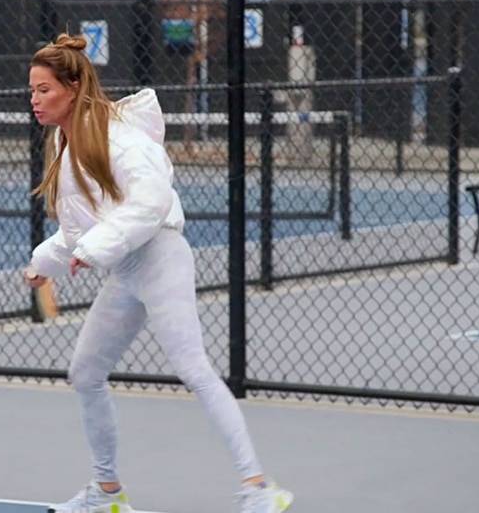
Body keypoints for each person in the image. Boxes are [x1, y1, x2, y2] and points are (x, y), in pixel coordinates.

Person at [23, 33, 293, 513]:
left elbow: (152, 201)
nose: (35, 99)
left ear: (72, 86)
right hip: (124, 268)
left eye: (44, 89)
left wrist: (96, 246)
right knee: (85, 372)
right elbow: (80, 231)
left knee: (194, 369)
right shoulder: (65, 147)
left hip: (160, 255)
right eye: (32, 90)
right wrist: (45, 262)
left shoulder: (118, 137)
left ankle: (259, 488)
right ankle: (107, 494)